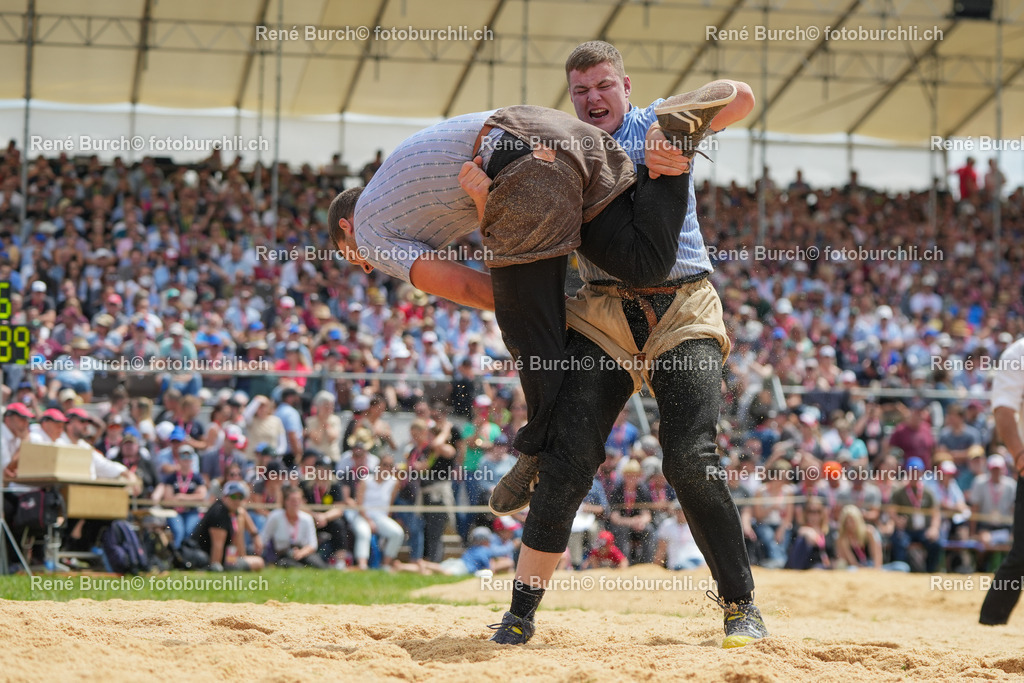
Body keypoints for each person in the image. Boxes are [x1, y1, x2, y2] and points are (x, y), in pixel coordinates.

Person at [485, 40, 765, 649]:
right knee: (570, 457)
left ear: (626, 87)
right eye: (581, 91)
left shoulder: (654, 122)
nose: (593, 100)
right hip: (602, 309)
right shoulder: (562, 145)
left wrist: (680, 136)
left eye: (603, 86)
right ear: (571, 99)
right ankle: (519, 613)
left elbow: (741, 97)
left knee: (691, 458)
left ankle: (740, 606)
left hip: (683, 304)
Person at [327, 97, 702, 462]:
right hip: (563, 135)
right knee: (643, 263)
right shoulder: (396, 195)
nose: (364, 267)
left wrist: (551, 304)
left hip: (515, 152)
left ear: (348, 226)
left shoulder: (370, 231)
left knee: (520, 318)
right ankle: (669, 146)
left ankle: (540, 451)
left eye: (350, 254)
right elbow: (494, 223)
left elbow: (476, 290)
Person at [980, 337, 1024, 624]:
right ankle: (990, 624)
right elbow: (1003, 410)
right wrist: (1020, 455)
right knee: (1022, 555)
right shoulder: (1018, 354)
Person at [187, 481, 264, 572]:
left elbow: (241, 511)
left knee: (255, 560)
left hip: (222, 557)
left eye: (240, 497)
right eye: (234, 496)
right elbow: (217, 546)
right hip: (205, 558)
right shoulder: (220, 513)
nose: (237, 500)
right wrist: (216, 567)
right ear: (225, 497)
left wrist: (255, 535)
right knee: (259, 562)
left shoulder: (232, 510)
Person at [261, 485, 327, 568]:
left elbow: (313, 544)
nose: (295, 503)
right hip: (282, 554)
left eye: (298, 500)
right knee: (289, 565)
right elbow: (264, 538)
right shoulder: (275, 517)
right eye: (292, 500)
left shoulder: (307, 518)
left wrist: (301, 553)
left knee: (318, 565)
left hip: (303, 552)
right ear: (285, 501)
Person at [834, 505, 909, 572]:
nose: (850, 524)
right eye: (847, 521)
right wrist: (862, 569)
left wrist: (875, 570)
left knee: (902, 567)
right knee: (851, 570)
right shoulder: (843, 539)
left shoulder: (869, 532)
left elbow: (877, 555)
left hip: (872, 566)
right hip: (857, 569)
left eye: (852, 521)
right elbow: (852, 563)